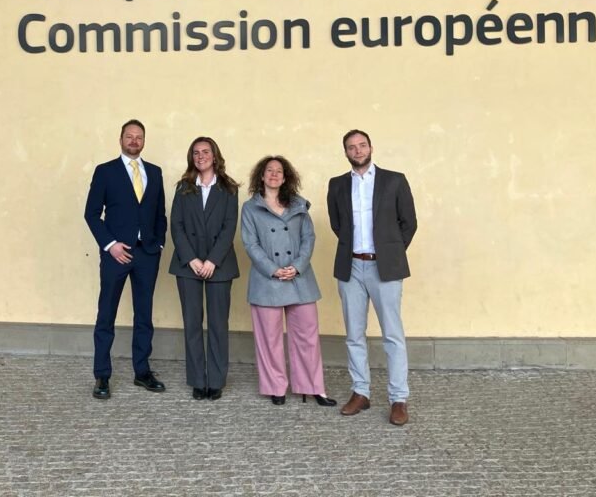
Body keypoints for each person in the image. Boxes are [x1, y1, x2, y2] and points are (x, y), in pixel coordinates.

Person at [327, 129, 418, 426]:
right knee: (354, 334)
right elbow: (338, 224)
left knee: (392, 334)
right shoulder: (337, 185)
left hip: (385, 267)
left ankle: (398, 398)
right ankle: (361, 392)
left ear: (371, 147)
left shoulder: (394, 180)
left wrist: (391, 251)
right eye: (351, 147)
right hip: (351, 267)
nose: (358, 150)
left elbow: (409, 223)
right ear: (345, 152)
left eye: (362, 145)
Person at [240, 155, 336, 407]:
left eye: (279, 171)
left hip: (299, 278)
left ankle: (313, 387)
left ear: (285, 178)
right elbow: (250, 243)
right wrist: (273, 270)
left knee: (307, 336)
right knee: (269, 339)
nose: (274, 174)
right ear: (261, 176)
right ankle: (276, 387)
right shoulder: (250, 208)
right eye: (269, 170)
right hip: (266, 280)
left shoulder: (298, 205)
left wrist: (297, 266)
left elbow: (309, 238)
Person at [84, 119, 167, 399]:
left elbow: (160, 214)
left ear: (144, 141)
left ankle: (142, 371)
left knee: (144, 315)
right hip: (115, 254)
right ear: (120, 139)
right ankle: (102, 375)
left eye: (139, 137)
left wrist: (159, 243)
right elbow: (91, 214)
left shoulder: (154, 172)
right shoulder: (105, 171)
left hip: (147, 254)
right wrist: (110, 245)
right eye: (129, 136)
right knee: (106, 313)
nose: (134, 141)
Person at [168, 136, 240, 401]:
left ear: (215, 155)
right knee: (192, 323)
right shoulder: (183, 187)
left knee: (219, 324)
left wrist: (212, 261)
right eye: (196, 153)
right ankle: (198, 380)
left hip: (219, 264)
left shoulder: (229, 188)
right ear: (192, 157)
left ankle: (216, 380)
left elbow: (229, 227)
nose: (201, 156)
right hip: (188, 264)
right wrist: (192, 259)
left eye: (205, 151)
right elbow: (176, 225)